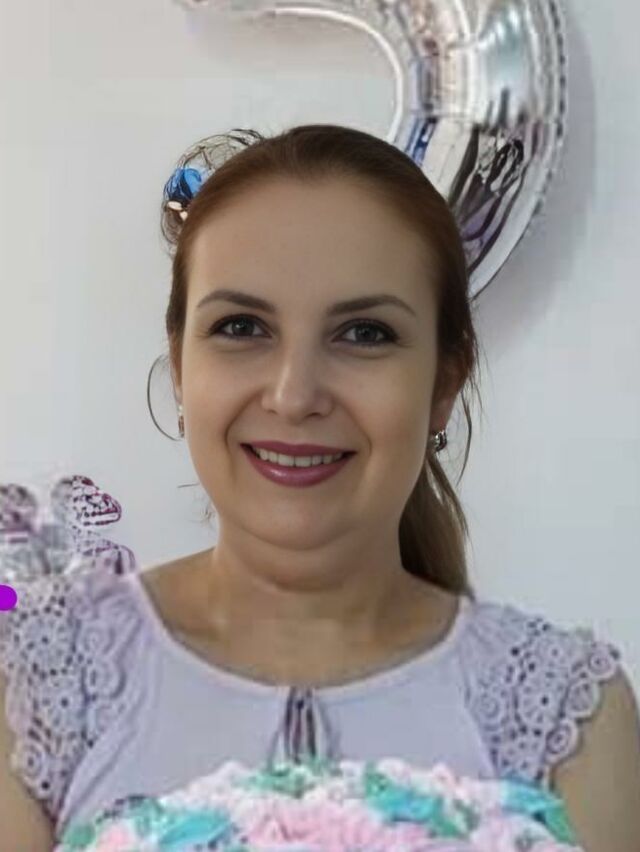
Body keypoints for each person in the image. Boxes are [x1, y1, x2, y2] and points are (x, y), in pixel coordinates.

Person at [1, 124, 639, 852]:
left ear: (443, 384)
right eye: (242, 327)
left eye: (364, 334)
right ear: (180, 366)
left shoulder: (568, 716)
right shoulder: (37, 680)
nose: (294, 394)